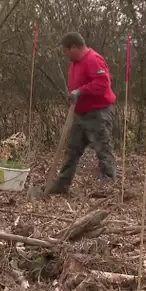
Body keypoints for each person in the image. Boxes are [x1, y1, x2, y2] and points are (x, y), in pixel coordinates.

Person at [47, 32, 117, 195]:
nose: (65, 55)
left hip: (97, 113)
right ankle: (62, 185)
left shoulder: (93, 59)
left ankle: (108, 187)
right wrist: (72, 93)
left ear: (74, 47)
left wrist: (80, 91)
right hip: (80, 113)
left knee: (102, 148)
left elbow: (102, 84)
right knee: (72, 149)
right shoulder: (74, 63)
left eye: (66, 51)